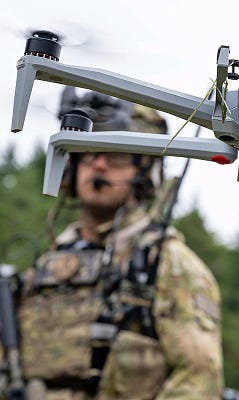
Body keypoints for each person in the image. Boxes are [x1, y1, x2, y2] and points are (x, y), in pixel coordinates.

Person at [3, 89, 223, 400]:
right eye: (89, 153)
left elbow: (198, 378)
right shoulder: (42, 269)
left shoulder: (167, 265)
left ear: (144, 172)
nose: (99, 165)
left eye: (116, 156)